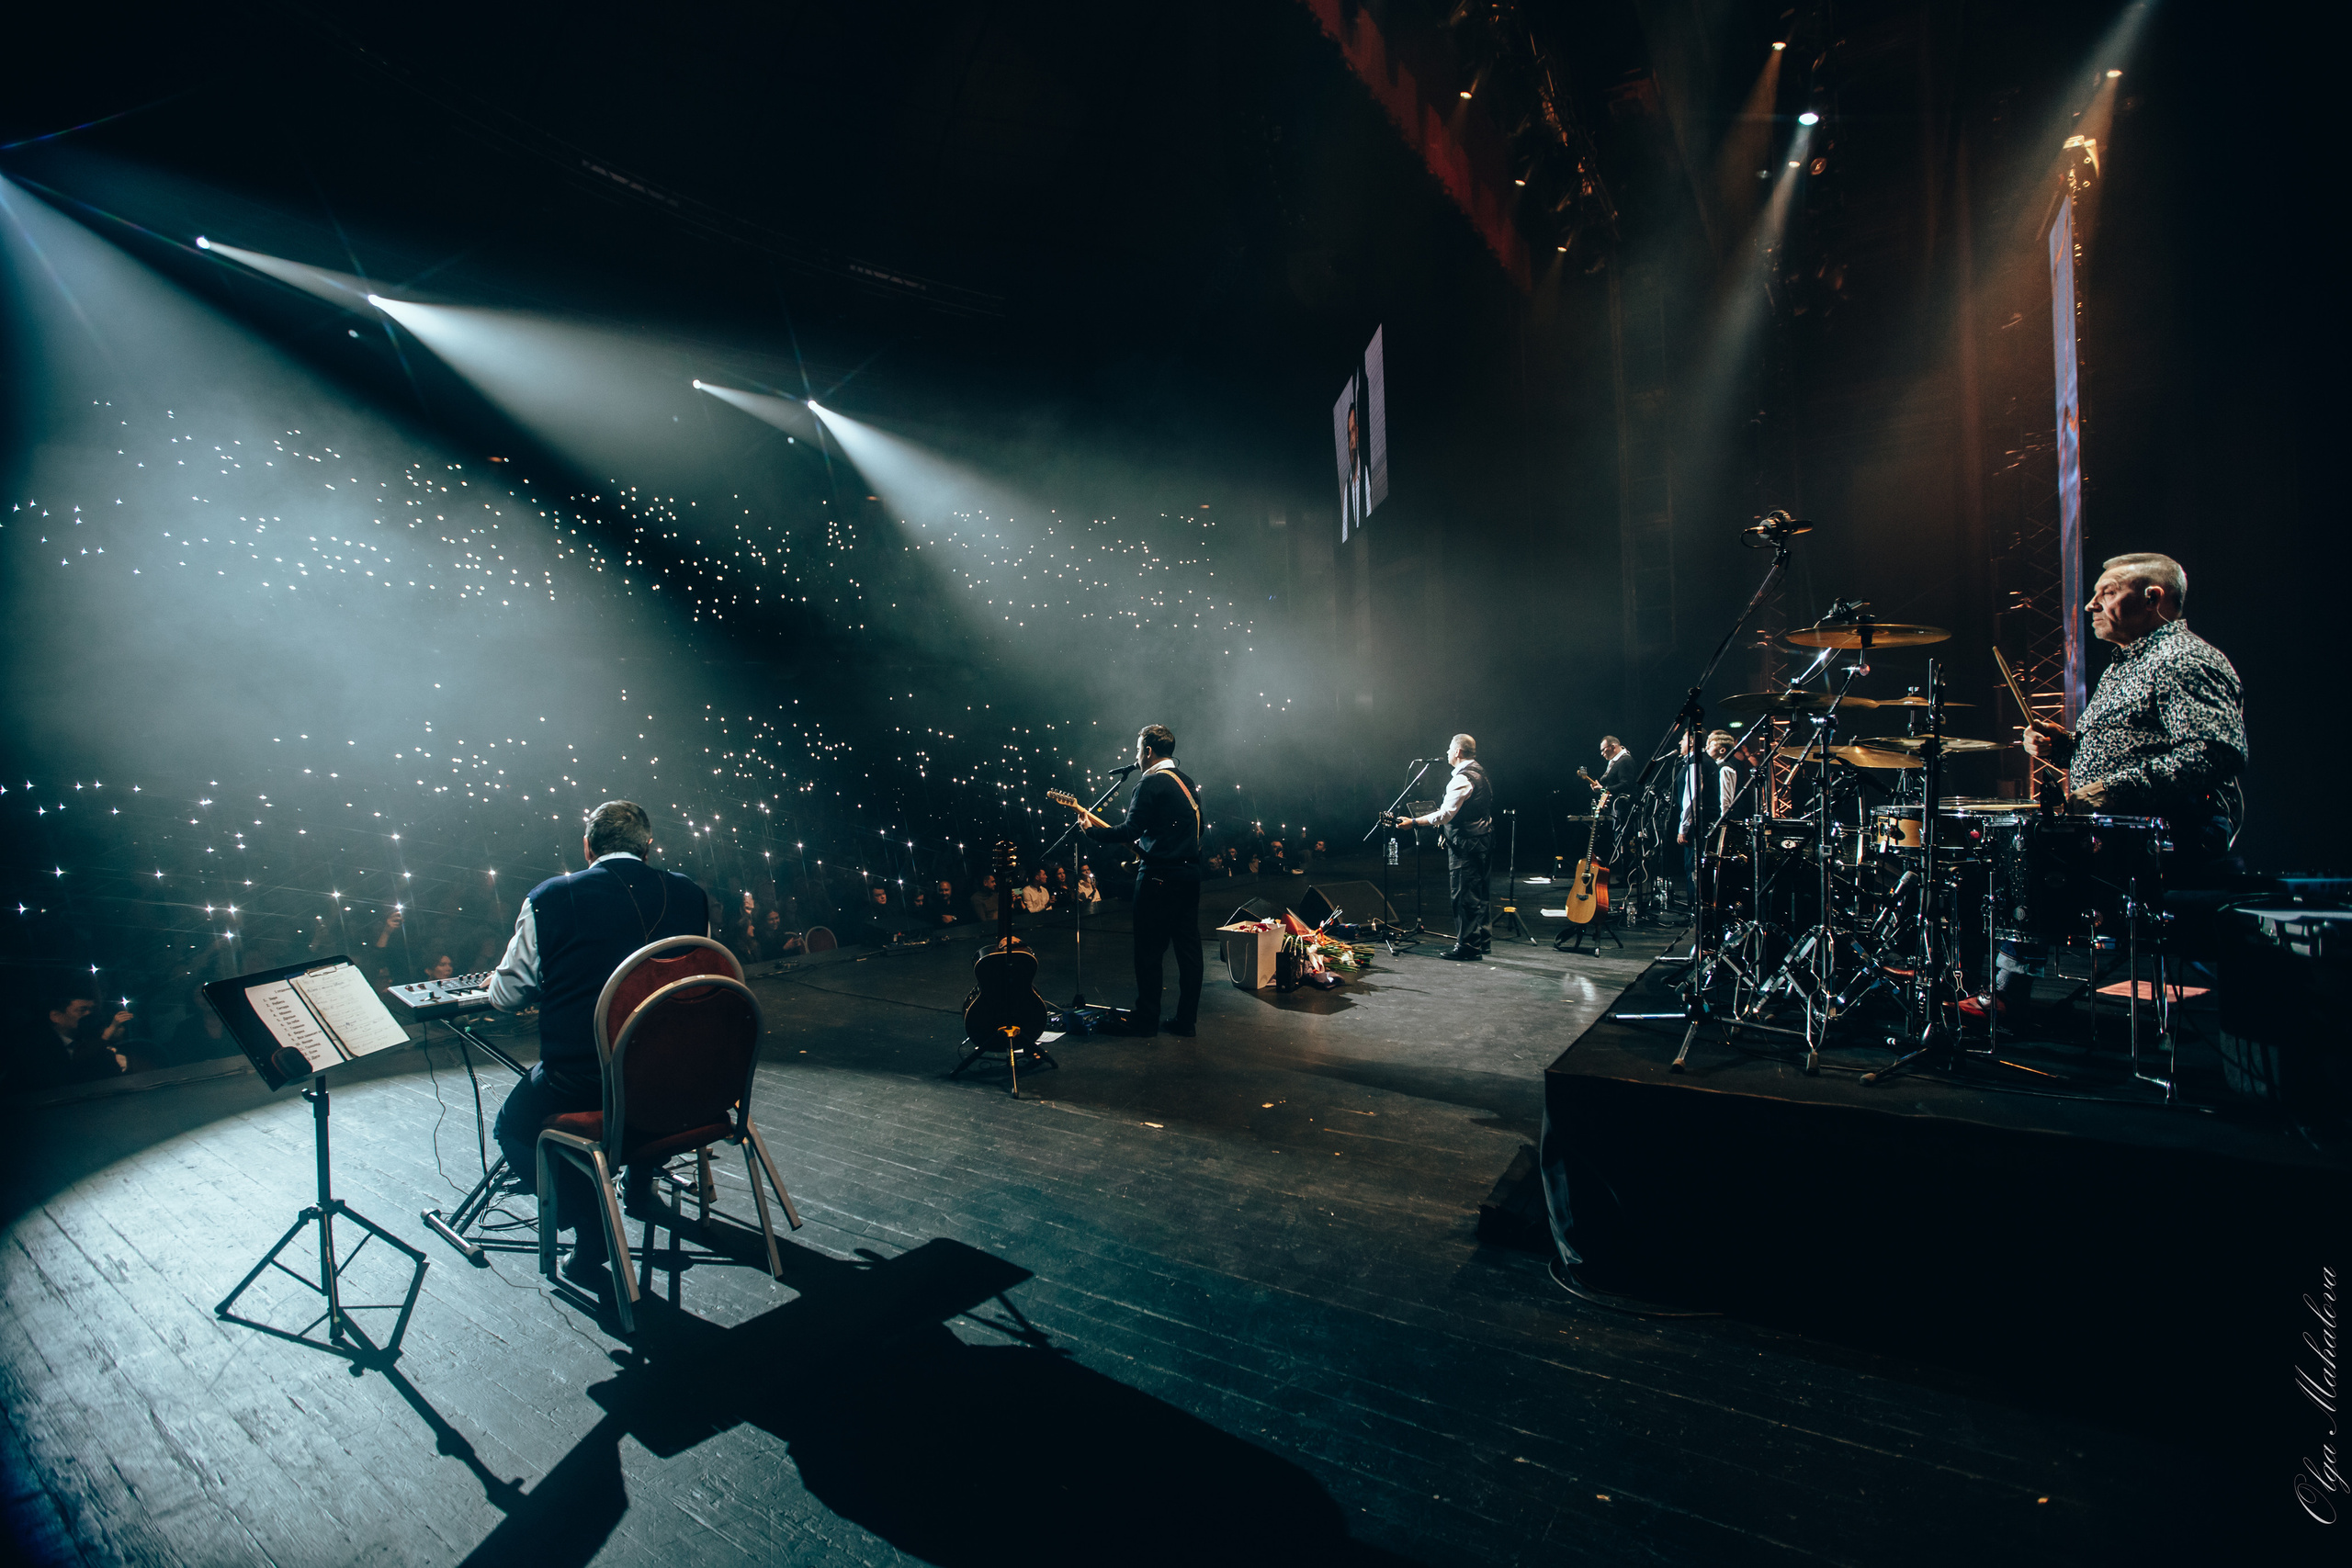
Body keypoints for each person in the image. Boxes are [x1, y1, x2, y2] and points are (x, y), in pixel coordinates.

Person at [1983, 551, 2247, 1021]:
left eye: (2106, 593)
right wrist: (2063, 747)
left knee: (2030, 841)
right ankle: (1970, 977)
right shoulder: (2123, 665)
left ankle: (2007, 994)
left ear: (2152, 599)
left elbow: (2215, 753)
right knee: (1998, 837)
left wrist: (2111, 791)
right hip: (2126, 824)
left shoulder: (2183, 659)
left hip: (2176, 830)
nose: (2089, 606)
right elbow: (2127, 748)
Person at [486, 799, 708, 1293]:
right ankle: (641, 1187)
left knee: (514, 1129)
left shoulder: (551, 896)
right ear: (647, 848)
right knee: (649, 1067)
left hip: (584, 1081)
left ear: (587, 847)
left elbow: (505, 997)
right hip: (682, 1076)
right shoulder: (691, 894)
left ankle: (592, 1234)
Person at [1062, 724, 1206, 1036]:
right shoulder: (1186, 781)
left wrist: (1090, 830)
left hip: (1159, 879)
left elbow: (1129, 831)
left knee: (1149, 951)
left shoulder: (1150, 783)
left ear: (1149, 751)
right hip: (1189, 874)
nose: (1137, 756)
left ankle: (1146, 1019)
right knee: (1188, 950)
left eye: (1138, 749)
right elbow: (1191, 831)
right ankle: (1186, 1021)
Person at [1392, 733, 1496, 961]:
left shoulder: (1461, 778)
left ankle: (1468, 946)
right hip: (1482, 839)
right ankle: (1482, 942)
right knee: (1480, 894)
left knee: (1464, 895)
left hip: (1467, 845)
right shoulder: (1480, 772)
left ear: (1458, 751)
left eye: (1450, 748)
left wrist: (1415, 822)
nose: (1447, 752)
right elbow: (1469, 811)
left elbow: (1446, 814)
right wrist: (1445, 833)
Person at [8, 981, 134, 1092]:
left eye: (92, 1009)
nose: (89, 1014)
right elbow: (63, 1083)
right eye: (82, 1010)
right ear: (56, 1016)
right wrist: (104, 1039)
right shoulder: (36, 1049)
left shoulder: (92, 1037)